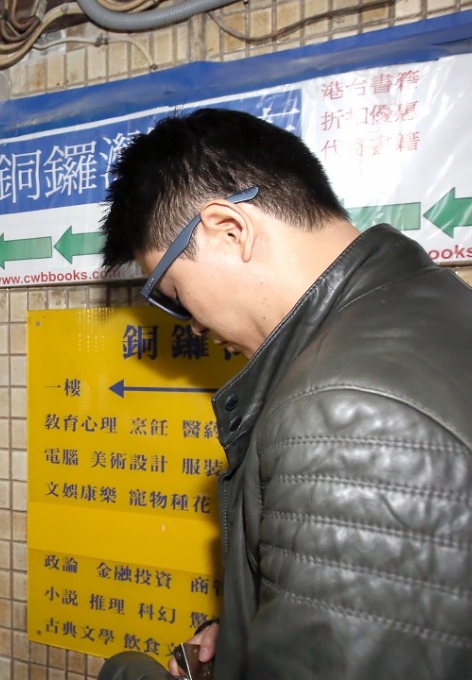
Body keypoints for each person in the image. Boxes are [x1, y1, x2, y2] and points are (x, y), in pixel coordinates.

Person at [99, 108, 472, 680]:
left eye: (172, 293)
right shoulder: (430, 304)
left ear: (229, 229)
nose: (192, 325)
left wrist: (128, 674)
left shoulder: (345, 414)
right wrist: (260, 629)